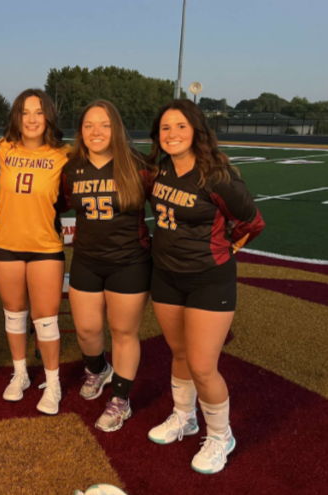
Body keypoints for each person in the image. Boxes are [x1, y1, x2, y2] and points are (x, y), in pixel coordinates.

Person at [146, 99, 265, 474]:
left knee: (202, 365)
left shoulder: (216, 176)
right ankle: (186, 416)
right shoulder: (157, 170)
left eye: (181, 126)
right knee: (179, 354)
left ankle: (220, 435)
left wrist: (226, 247)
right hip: (165, 275)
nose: (172, 134)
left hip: (208, 279)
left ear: (196, 130)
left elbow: (252, 221)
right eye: (165, 128)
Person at [62, 100, 152, 431]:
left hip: (129, 261)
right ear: (80, 132)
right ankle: (99, 370)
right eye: (88, 125)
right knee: (86, 330)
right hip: (86, 258)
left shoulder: (139, 165)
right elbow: (54, 200)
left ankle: (121, 400)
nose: (96, 132)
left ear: (116, 128)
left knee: (123, 331)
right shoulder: (71, 168)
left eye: (104, 125)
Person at [0, 89, 70, 415]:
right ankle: (20, 373)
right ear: (16, 117)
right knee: (14, 315)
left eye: (39, 112)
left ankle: (53, 384)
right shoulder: (1, 149)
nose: (32, 119)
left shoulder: (65, 154)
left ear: (48, 116)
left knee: (46, 320)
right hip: (5, 244)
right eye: (25, 112)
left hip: (45, 246)